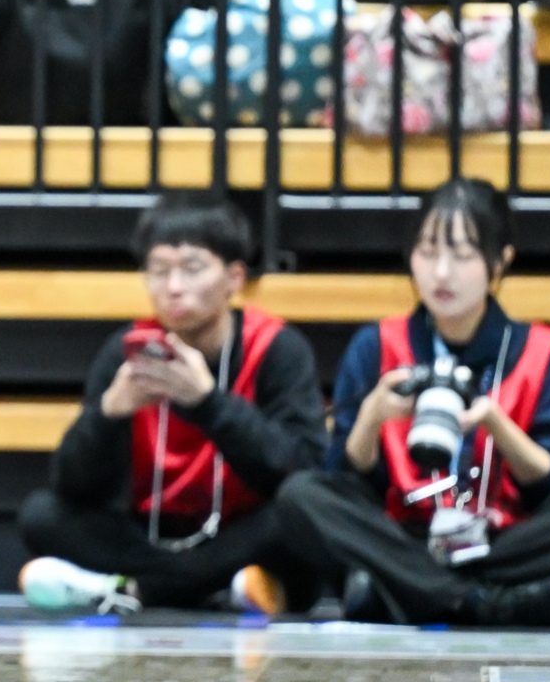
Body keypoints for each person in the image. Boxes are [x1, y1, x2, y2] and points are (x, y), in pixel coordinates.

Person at [276, 179, 550, 627]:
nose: (442, 273)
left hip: (500, 536)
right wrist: (370, 418)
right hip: (404, 536)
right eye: (427, 253)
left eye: (462, 256)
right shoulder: (378, 344)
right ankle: (485, 602)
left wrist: (496, 423)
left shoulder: (543, 351)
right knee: (301, 497)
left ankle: (409, 594)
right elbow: (347, 485)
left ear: (500, 261)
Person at [17, 194, 326, 616]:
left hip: (242, 530)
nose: (174, 287)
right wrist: (108, 415)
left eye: (192, 269)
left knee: (301, 509)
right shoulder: (127, 352)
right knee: (41, 515)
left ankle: (135, 588)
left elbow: (301, 467)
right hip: (153, 537)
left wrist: (208, 403)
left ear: (235, 277)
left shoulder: (277, 348)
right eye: (159, 271)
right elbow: (72, 487)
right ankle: (204, 585)